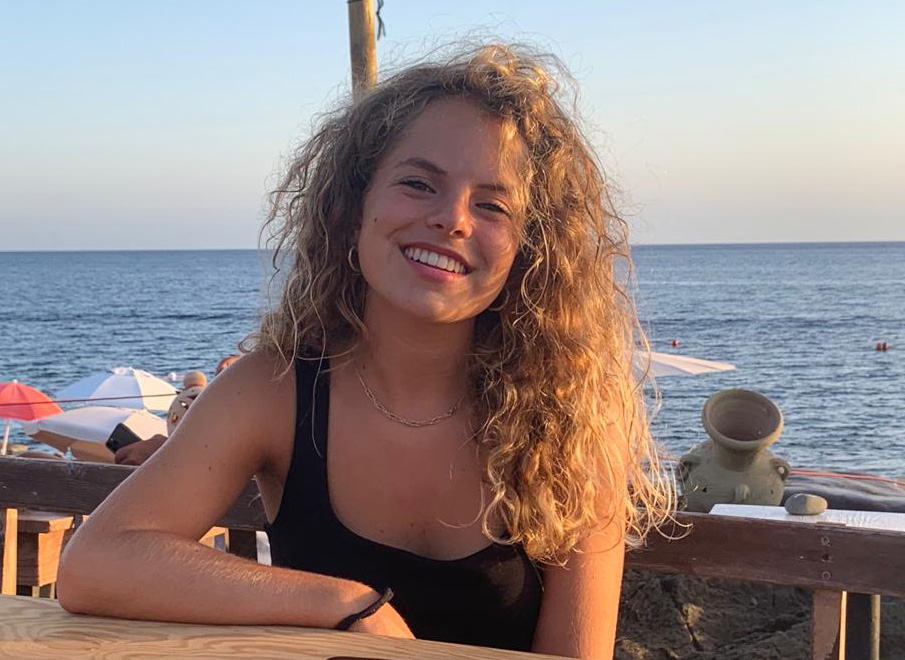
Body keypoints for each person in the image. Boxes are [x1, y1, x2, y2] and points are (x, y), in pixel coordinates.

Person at [58, 44, 673, 659]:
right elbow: (95, 564)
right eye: (418, 183)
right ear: (352, 209)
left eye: (492, 204)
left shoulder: (572, 416)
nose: (452, 220)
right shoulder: (273, 390)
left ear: (529, 251)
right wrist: (343, 604)